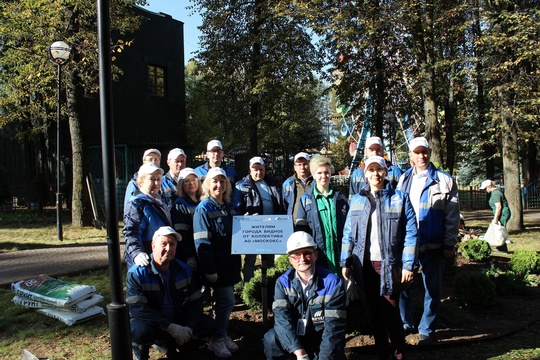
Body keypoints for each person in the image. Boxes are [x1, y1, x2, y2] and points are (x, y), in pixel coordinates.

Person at [341, 156, 418, 360]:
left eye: (379, 170)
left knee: (391, 312)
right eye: (371, 170)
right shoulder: (357, 200)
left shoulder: (400, 198)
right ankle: (382, 353)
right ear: (365, 173)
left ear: (386, 172)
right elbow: (349, 233)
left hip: (390, 265)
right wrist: (345, 261)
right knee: (374, 313)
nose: (375, 174)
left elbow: (411, 233)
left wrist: (408, 265)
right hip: (364, 266)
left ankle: (399, 353)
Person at [397, 137, 460, 345]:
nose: (421, 156)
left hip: (434, 244)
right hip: (408, 244)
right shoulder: (404, 179)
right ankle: (406, 324)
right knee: (403, 286)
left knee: (432, 290)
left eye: (424, 152)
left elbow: (452, 215)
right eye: (417, 152)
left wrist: (449, 242)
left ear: (429, 153)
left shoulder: (445, 180)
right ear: (410, 157)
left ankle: (427, 329)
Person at [127, 226, 217, 360]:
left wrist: (188, 328)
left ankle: (183, 347)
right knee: (137, 331)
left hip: (177, 318)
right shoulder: (138, 273)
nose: (168, 248)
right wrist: (170, 328)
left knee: (208, 325)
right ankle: (142, 352)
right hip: (152, 323)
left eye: (172, 244)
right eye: (163, 244)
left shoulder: (184, 269)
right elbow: (138, 309)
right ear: (153, 246)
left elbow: (196, 301)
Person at [263, 231, 347, 360]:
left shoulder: (333, 283)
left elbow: (333, 327)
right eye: (296, 255)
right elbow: (282, 320)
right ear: (290, 260)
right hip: (295, 337)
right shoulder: (282, 283)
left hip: (321, 337)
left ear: (316, 255)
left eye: (307, 253)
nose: (302, 259)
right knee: (271, 338)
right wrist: (299, 353)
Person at [193, 167, 242, 358]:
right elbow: (202, 243)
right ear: (207, 185)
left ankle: (221, 334)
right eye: (215, 181)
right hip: (217, 267)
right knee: (226, 302)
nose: (219, 185)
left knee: (223, 304)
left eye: (222, 182)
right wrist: (209, 269)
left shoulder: (228, 206)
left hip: (229, 265)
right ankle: (217, 340)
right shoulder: (203, 209)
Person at [233, 156, 283, 283]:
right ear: (250, 170)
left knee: (269, 260)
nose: (258, 172)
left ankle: (270, 286)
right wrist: (243, 218)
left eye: (261, 169)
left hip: (271, 229)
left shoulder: (273, 184)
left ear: (265, 169)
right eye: (255, 169)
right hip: (253, 230)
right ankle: (248, 287)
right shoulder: (241, 186)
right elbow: (236, 207)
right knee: (250, 260)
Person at [295, 155, 349, 274]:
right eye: (319, 173)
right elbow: (302, 233)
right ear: (313, 175)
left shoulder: (340, 198)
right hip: (318, 260)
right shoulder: (305, 200)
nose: (323, 176)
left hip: (341, 258)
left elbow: (349, 229)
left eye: (326, 172)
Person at [123, 163, 172, 269]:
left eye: (159, 179)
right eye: (152, 179)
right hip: (145, 262)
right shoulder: (137, 204)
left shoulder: (159, 202)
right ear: (141, 181)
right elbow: (131, 232)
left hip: (160, 258)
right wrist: (137, 253)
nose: (156, 183)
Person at [170, 168, 202, 268]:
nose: (191, 183)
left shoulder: (202, 202)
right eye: (186, 181)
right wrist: (190, 256)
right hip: (189, 255)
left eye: (194, 180)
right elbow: (182, 234)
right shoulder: (179, 205)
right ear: (181, 185)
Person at [480, 179, 511, 253]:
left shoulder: (495, 194)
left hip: (502, 214)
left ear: (490, 186)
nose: (484, 190)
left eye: (485, 188)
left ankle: (503, 249)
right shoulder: (495, 192)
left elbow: (499, 207)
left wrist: (495, 218)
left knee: (499, 231)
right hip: (502, 213)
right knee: (499, 230)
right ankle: (500, 248)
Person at [282, 152, 313, 223]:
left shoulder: (316, 181)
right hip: (295, 223)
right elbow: (284, 206)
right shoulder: (287, 183)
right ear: (294, 167)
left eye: (305, 164)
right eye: (299, 165)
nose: (302, 167)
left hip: (314, 223)